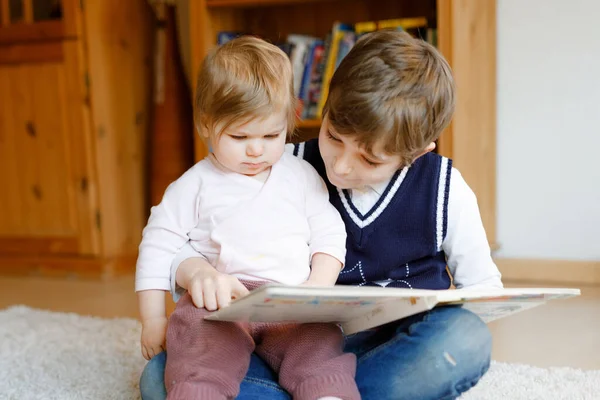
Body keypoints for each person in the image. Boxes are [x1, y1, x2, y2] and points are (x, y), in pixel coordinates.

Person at [139, 29, 503, 400]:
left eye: (370, 158)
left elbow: (484, 292)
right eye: (333, 136)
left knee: (465, 337)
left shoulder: (445, 189)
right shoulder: (280, 162)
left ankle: (327, 390)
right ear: (324, 107)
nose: (341, 167)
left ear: (418, 152)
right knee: (160, 376)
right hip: (286, 344)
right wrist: (197, 270)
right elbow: (182, 237)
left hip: (387, 350)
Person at [135, 36, 360, 400]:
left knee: (320, 348)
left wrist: (316, 287)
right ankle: (200, 391)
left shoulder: (300, 175)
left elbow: (329, 233)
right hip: (223, 304)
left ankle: (326, 393)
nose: (257, 149)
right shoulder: (193, 185)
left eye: (271, 134)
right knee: (198, 343)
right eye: (240, 136)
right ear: (206, 125)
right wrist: (152, 318)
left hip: (291, 304)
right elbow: (158, 246)